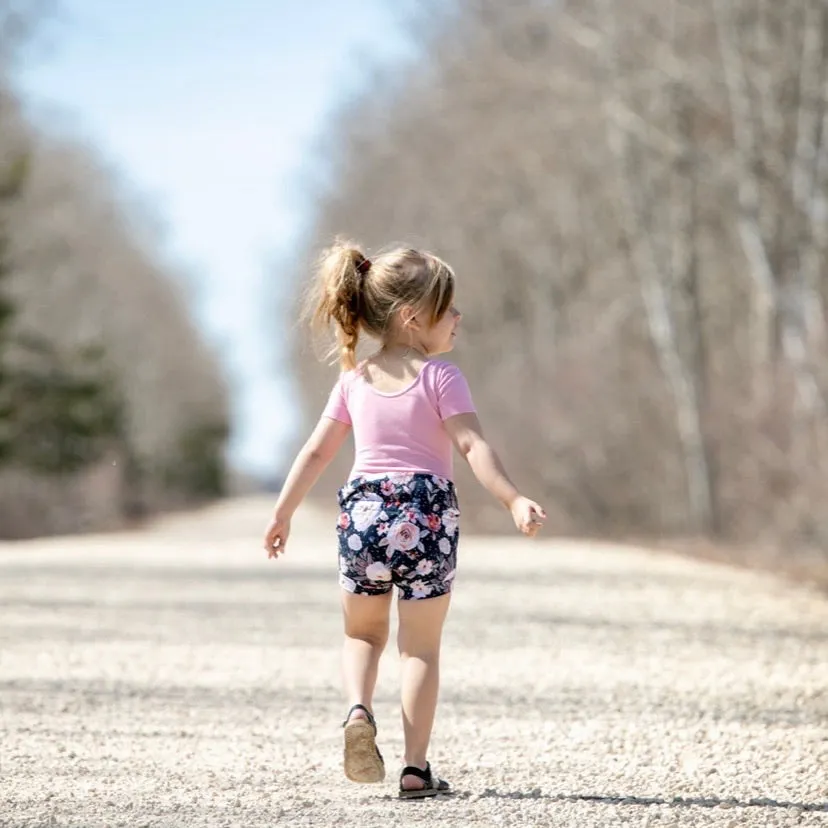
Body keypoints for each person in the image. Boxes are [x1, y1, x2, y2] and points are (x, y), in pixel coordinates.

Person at [263, 240, 546, 799]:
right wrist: (512, 498)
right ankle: (415, 770)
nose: (459, 318)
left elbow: (317, 452)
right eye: (449, 308)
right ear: (413, 317)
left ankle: (357, 710)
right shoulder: (442, 378)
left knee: (362, 633)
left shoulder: (353, 380)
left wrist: (283, 512)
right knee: (419, 648)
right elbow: (473, 447)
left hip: (364, 515)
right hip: (427, 517)